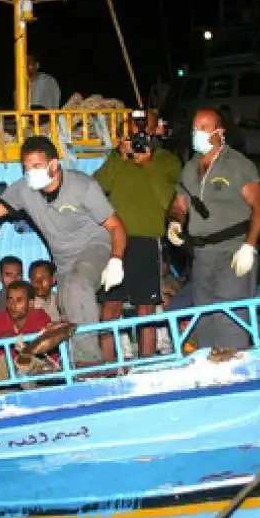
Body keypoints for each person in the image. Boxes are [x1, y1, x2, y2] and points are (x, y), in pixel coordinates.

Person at [0, 135, 127, 364]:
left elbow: (116, 226)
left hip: (96, 247)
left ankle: (89, 366)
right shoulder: (25, 190)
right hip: (64, 261)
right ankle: (74, 365)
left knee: (77, 286)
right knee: (68, 308)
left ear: (54, 165)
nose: (30, 173)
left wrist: (116, 260)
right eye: (26, 168)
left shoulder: (84, 187)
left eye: (37, 166)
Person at [167, 108, 260, 352]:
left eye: (204, 128)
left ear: (219, 133)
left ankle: (235, 365)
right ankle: (209, 360)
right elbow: (179, 204)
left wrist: (249, 247)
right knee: (204, 312)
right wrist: (175, 221)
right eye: (195, 128)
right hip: (202, 254)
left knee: (230, 313)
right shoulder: (190, 167)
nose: (197, 134)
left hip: (233, 250)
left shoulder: (238, 166)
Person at [94, 111, 181, 357]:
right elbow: (97, 187)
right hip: (115, 242)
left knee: (147, 307)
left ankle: (146, 363)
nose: (139, 131)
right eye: (134, 126)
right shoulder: (117, 156)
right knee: (110, 305)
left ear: (156, 130)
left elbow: (170, 202)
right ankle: (108, 366)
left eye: (144, 127)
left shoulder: (167, 161)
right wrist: (120, 158)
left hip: (147, 240)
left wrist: (148, 164)